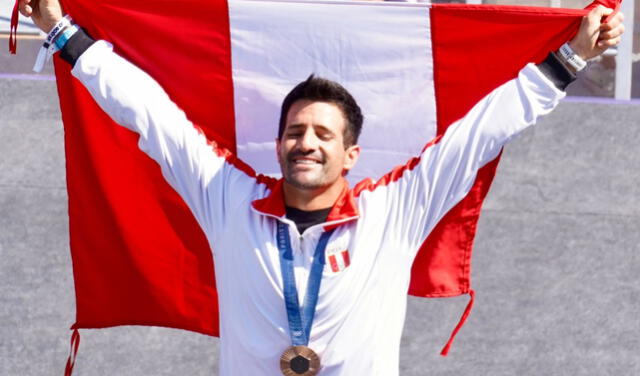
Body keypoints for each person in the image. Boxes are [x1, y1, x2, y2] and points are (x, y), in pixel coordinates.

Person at [19, 0, 624, 375]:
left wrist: (569, 58)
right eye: (294, 131)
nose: (306, 142)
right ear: (279, 144)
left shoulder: (397, 208)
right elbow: (150, 112)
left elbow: (484, 128)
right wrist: (62, 32)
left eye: (322, 134)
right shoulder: (227, 199)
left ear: (350, 153)